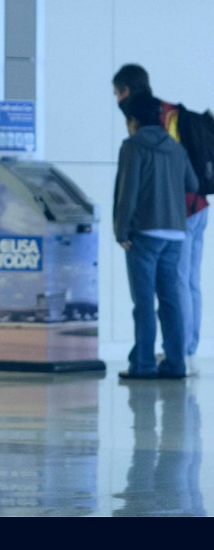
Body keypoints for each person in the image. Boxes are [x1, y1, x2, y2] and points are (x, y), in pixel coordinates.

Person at [114, 64, 207, 376]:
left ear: (134, 121)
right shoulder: (176, 148)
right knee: (171, 300)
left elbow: (127, 193)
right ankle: (176, 363)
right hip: (177, 233)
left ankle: (142, 364)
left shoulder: (133, 146)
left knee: (143, 303)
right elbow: (193, 185)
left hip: (145, 234)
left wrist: (121, 231)